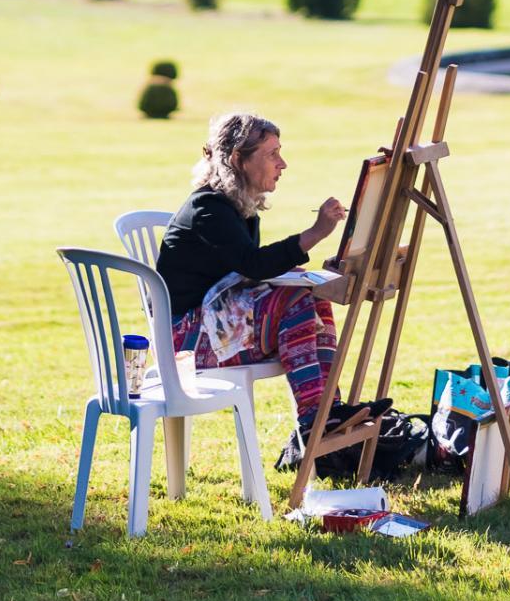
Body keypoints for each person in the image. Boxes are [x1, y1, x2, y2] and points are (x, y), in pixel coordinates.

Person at [157, 111, 378, 448]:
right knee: (295, 299)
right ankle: (314, 416)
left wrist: (298, 274)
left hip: (216, 324)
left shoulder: (237, 207)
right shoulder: (210, 209)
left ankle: (327, 409)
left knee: (313, 293)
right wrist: (316, 233)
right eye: (272, 154)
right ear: (238, 160)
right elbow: (254, 265)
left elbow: (244, 272)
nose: (282, 163)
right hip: (186, 342)